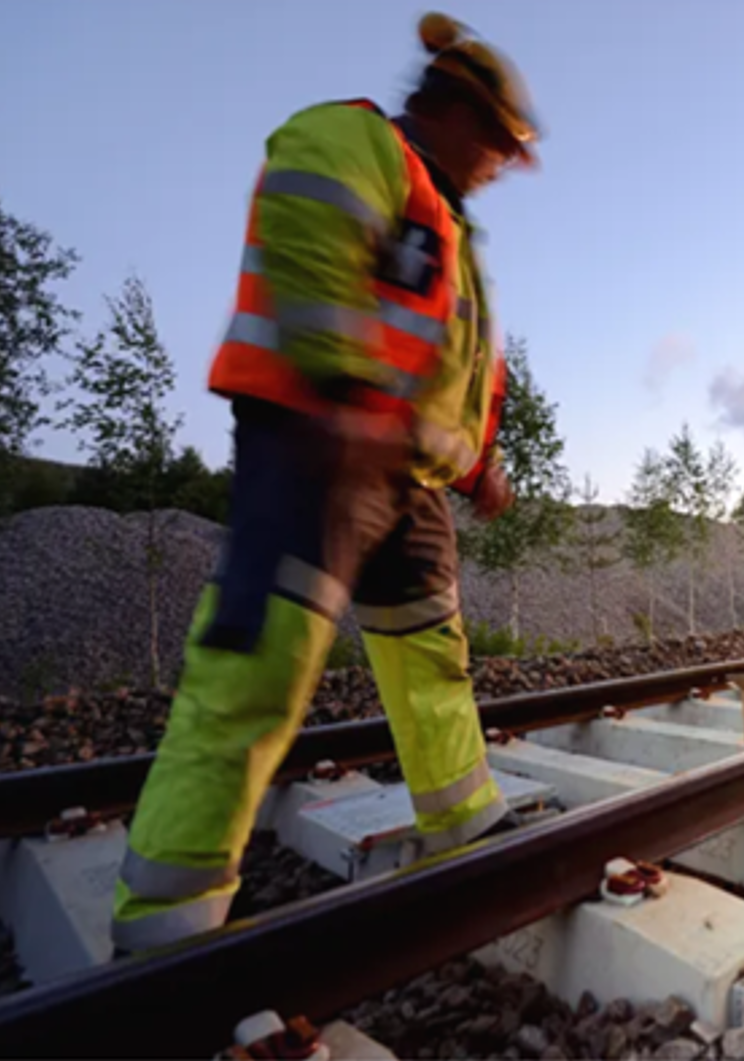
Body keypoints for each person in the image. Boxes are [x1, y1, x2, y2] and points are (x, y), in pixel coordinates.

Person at [112, 12, 542, 954]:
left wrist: (479, 467)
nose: (501, 167)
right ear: (461, 113)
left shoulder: (450, 229)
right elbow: (308, 242)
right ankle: (165, 930)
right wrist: (346, 393)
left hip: (405, 474)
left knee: (430, 654)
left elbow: (455, 374)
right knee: (260, 660)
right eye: (501, 147)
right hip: (317, 437)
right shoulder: (355, 143)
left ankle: (464, 826)